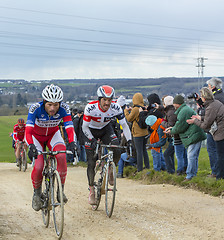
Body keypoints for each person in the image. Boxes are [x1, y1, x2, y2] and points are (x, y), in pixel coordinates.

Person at [25, 84, 77, 211]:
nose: (53, 108)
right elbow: (28, 130)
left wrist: (73, 142)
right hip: (37, 137)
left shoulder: (64, 108)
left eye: (56, 105)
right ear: (44, 102)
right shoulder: (35, 108)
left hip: (53, 135)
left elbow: (69, 127)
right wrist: (31, 145)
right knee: (38, 166)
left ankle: (60, 190)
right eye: (49, 105)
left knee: (61, 155)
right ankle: (37, 194)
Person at [82, 85, 132, 205]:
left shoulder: (115, 108)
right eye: (104, 100)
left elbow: (124, 125)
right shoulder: (90, 108)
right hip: (90, 130)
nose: (107, 103)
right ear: (99, 99)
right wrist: (92, 139)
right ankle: (92, 190)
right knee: (91, 161)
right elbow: (84, 127)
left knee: (116, 148)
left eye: (109, 100)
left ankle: (110, 168)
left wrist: (130, 141)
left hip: (105, 129)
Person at [165, 95, 206, 181]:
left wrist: (171, 131)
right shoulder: (184, 109)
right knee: (193, 156)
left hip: (193, 136)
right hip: (195, 134)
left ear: (177, 104)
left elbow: (180, 126)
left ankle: (190, 176)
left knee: (191, 156)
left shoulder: (183, 111)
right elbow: (180, 125)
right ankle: (193, 175)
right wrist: (172, 129)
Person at [187, 87, 224, 180]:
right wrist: (200, 117)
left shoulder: (211, 107)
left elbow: (205, 126)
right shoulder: (215, 103)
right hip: (221, 130)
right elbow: (211, 117)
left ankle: (219, 177)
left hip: (220, 133)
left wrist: (195, 121)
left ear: (204, 97)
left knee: (220, 156)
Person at [124, 92, 150, 172]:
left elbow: (129, 119)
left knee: (139, 151)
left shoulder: (135, 109)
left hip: (137, 134)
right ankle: (147, 166)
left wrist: (125, 111)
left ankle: (139, 169)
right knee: (144, 150)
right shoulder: (144, 107)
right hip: (145, 132)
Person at [205, 77, 224, 177]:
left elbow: (211, 114)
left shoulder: (216, 99)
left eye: (208, 86)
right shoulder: (222, 95)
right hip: (220, 128)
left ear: (212, 87)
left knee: (213, 150)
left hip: (215, 129)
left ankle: (216, 172)